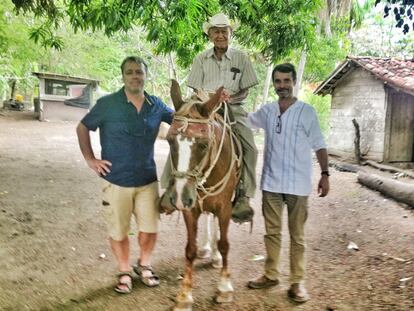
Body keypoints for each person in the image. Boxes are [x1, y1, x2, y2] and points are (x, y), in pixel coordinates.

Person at [76, 56, 174, 294]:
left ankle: (145, 265)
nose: (134, 76)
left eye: (139, 72)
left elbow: (181, 121)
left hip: (147, 180)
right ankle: (124, 270)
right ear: (123, 76)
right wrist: (90, 159)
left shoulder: (156, 105)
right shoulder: (108, 103)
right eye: (129, 72)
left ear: (145, 75)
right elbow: (82, 127)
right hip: (115, 180)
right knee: (118, 231)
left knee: (150, 229)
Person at [161, 12, 259, 224]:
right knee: (179, 134)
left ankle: (243, 196)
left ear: (230, 34)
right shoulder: (200, 59)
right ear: (210, 35)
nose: (220, 35)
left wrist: (229, 97)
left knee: (251, 147)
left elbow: (246, 90)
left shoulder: (242, 58)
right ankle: (169, 189)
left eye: (224, 31)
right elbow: (196, 87)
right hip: (204, 106)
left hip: (233, 106)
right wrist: (208, 100)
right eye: (216, 32)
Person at [246, 63, 330, 303]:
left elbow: (319, 144)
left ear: (294, 82)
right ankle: (271, 275)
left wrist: (325, 174)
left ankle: (297, 282)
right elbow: (246, 121)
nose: (282, 86)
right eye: (278, 81)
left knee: (297, 236)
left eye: (286, 81)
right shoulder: (268, 111)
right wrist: (225, 105)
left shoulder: (307, 112)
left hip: (298, 184)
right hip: (271, 183)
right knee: (272, 233)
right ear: (273, 84)